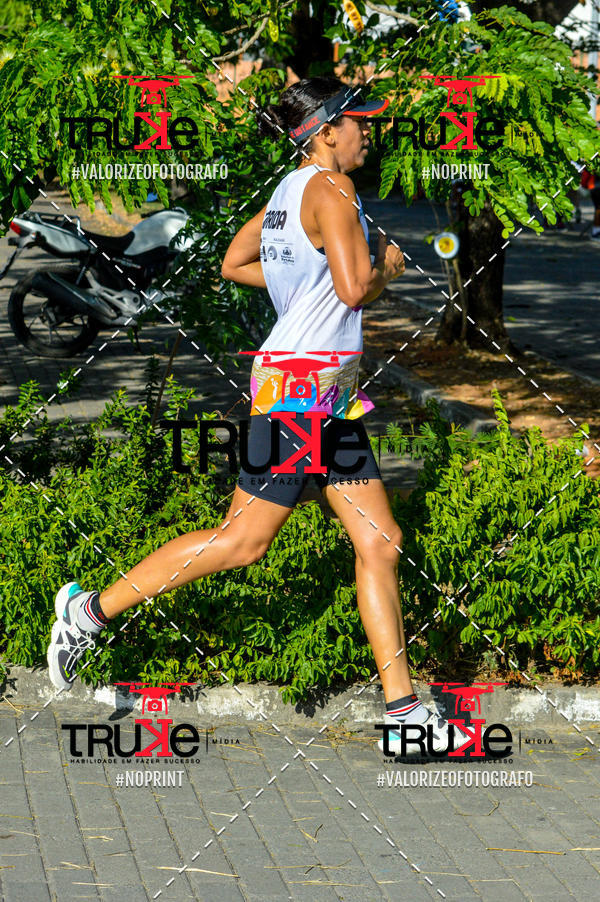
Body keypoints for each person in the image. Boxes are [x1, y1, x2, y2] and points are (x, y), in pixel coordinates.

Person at [46, 76, 468, 757]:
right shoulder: (333, 191)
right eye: (359, 122)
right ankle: (87, 611)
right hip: (300, 391)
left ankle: (404, 715)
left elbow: (232, 263)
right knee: (243, 542)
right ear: (326, 130)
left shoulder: (284, 193)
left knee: (379, 542)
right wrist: (384, 265)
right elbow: (357, 289)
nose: (369, 132)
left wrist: (299, 288)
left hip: (322, 393)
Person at [580, 167, 600, 239]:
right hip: (595, 186)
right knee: (598, 209)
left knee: (598, 209)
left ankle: (596, 231)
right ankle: (596, 231)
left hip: (594, 185)